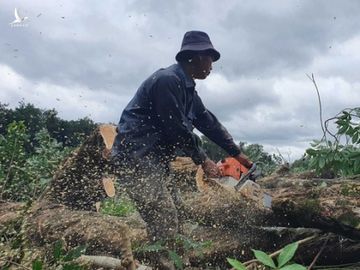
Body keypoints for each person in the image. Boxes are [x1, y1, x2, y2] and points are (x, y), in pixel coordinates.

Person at [111, 30, 252, 269]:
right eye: (209, 58)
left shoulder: (187, 89)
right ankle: (166, 265)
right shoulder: (168, 80)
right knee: (164, 215)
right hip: (135, 158)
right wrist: (203, 160)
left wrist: (236, 152)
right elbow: (175, 127)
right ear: (195, 57)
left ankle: (181, 262)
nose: (211, 65)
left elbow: (208, 122)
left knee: (178, 209)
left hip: (154, 160)